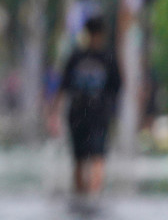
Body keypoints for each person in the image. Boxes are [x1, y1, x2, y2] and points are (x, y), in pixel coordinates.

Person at [49, 14, 122, 196]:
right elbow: (63, 86)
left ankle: (87, 195)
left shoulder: (83, 57)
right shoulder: (99, 57)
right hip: (86, 115)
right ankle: (88, 195)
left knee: (91, 158)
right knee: (85, 159)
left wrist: (53, 111)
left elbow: (117, 87)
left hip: (89, 115)